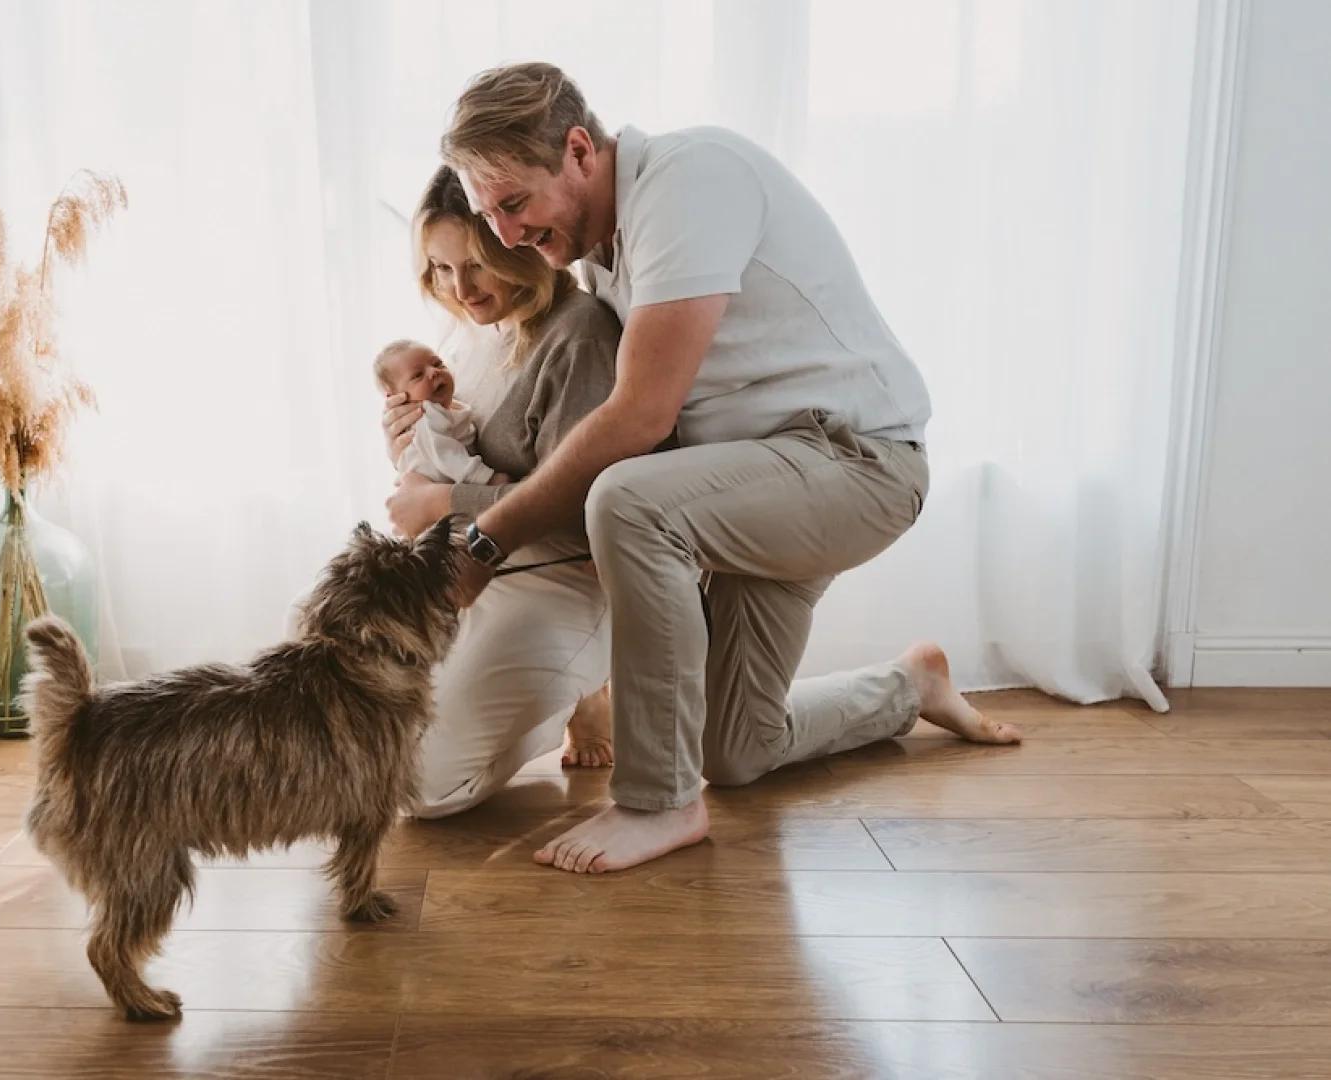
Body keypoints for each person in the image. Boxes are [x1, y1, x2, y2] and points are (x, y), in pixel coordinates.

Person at [437, 62, 1023, 875]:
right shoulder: (599, 254)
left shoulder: (687, 180)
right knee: (740, 749)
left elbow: (641, 418)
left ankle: (659, 802)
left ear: (578, 151)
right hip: (758, 480)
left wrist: (484, 538)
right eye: (484, 213)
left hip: (855, 465)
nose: (503, 235)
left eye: (512, 204)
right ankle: (907, 687)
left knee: (630, 502)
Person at [375, 164, 625, 814]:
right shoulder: (473, 330)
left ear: (517, 240)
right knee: (322, 660)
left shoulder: (580, 336)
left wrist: (442, 503)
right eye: (438, 269)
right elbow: (461, 458)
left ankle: (584, 683)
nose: (460, 290)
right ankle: (569, 691)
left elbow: (587, 511)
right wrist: (407, 451)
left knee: (421, 787)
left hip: (559, 576)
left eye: (477, 264)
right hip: (466, 570)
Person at [372, 338, 506, 486]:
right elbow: (447, 455)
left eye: (438, 364)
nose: (434, 371)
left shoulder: (447, 407)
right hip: (430, 494)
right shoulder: (425, 417)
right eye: (418, 375)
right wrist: (486, 478)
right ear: (397, 398)